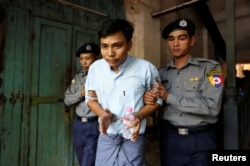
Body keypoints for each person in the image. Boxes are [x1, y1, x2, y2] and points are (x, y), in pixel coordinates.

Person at [144, 18, 224, 166]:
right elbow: (156, 107)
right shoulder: (160, 73)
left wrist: (169, 97)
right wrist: (149, 99)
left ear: (192, 40)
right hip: (170, 139)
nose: (175, 44)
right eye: (171, 39)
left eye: (182, 38)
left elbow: (213, 107)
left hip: (201, 140)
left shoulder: (211, 68)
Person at [84, 18, 162, 166]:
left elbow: (157, 101)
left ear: (129, 45)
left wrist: (139, 115)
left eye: (117, 46)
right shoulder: (96, 69)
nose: (110, 53)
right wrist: (102, 114)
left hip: (133, 135)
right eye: (104, 46)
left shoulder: (146, 69)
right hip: (107, 134)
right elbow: (90, 99)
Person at [64, 42, 100, 166]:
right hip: (78, 125)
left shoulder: (103, 77)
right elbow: (67, 100)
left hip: (94, 124)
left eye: (88, 58)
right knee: (81, 159)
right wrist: (81, 93)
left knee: (88, 161)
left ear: (96, 58)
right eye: (81, 59)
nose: (84, 62)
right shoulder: (78, 77)